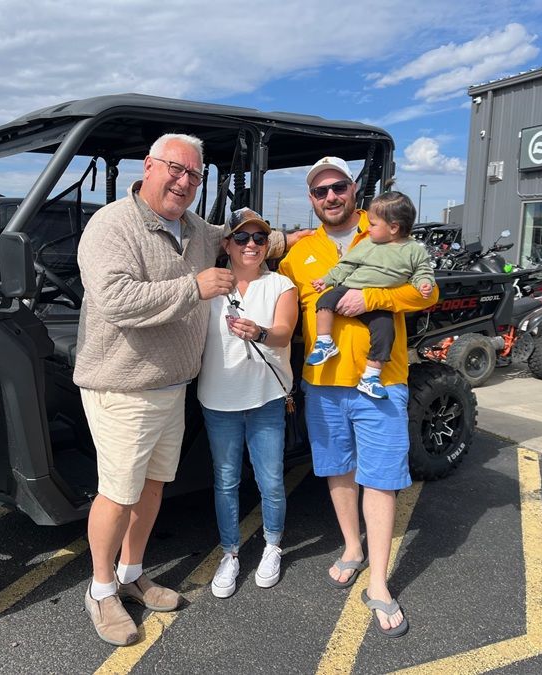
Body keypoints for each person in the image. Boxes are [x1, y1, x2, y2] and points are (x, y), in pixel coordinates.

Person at [75, 133, 306, 647]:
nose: (184, 181)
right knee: (118, 493)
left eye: (194, 175)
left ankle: (131, 574)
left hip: (172, 387)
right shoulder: (112, 224)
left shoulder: (197, 229)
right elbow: (115, 299)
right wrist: (192, 288)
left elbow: (241, 236)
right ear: (149, 166)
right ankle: (101, 589)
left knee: (152, 487)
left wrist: (302, 238)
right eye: (175, 169)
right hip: (124, 388)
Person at [278, 156, 439, 638]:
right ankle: (352, 547)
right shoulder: (299, 254)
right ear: (311, 199)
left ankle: (380, 583)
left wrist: (374, 298)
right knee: (338, 470)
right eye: (320, 190)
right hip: (323, 385)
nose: (330, 196)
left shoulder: (388, 232)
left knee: (382, 480)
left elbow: (428, 294)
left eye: (338, 187)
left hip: (380, 383)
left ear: (353, 190)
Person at [196, 208, 298, 598]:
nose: (251, 245)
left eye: (259, 238)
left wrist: (260, 332)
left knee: (270, 479)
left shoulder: (280, 285)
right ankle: (230, 552)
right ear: (227, 244)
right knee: (226, 481)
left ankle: (272, 545)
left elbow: (284, 332)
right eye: (241, 237)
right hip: (217, 398)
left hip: (265, 397)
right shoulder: (210, 285)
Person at [307, 187, 435, 399]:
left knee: (385, 331)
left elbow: (423, 274)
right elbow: (346, 266)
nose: (368, 228)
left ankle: (371, 376)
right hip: (349, 287)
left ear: (393, 228)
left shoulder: (413, 249)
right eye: (319, 191)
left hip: (380, 307)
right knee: (324, 301)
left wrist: (424, 284)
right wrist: (326, 280)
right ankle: (325, 342)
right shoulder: (367, 244)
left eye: (373, 224)